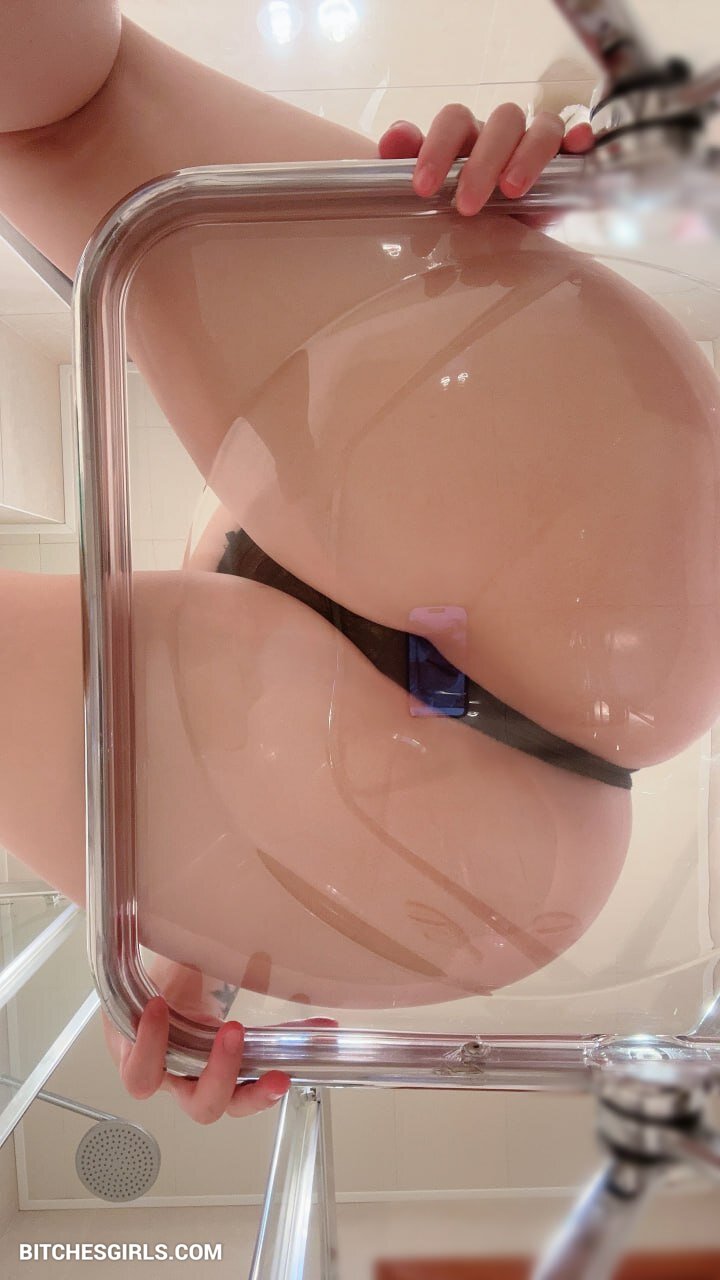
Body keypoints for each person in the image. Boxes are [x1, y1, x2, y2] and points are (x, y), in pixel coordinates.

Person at [1, 2, 717, 1128]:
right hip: (503, 857)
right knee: (70, 124)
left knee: (71, 120)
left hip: (556, 745)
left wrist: (190, 970)